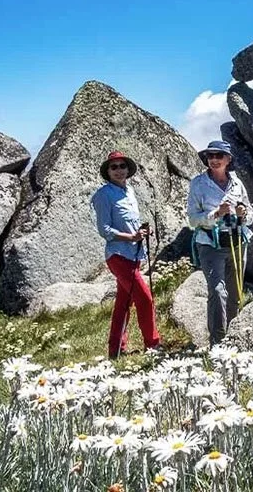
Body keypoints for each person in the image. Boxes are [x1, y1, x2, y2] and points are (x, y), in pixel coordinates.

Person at [91, 151, 161, 360]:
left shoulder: (129, 191)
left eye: (122, 166)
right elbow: (104, 230)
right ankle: (153, 345)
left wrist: (141, 233)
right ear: (108, 171)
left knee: (123, 304)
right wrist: (131, 236)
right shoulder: (103, 195)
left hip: (134, 255)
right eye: (114, 167)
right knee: (145, 299)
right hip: (118, 256)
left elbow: (129, 222)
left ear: (128, 169)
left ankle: (116, 349)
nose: (119, 170)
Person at [187, 140, 253, 347]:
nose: (214, 159)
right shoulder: (198, 183)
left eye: (219, 155)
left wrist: (243, 214)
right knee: (217, 291)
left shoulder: (237, 183)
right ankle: (217, 341)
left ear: (228, 159)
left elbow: (250, 214)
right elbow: (192, 219)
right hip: (209, 243)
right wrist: (216, 214)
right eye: (210, 156)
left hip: (236, 240)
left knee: (235, 292)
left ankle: (234, 337)